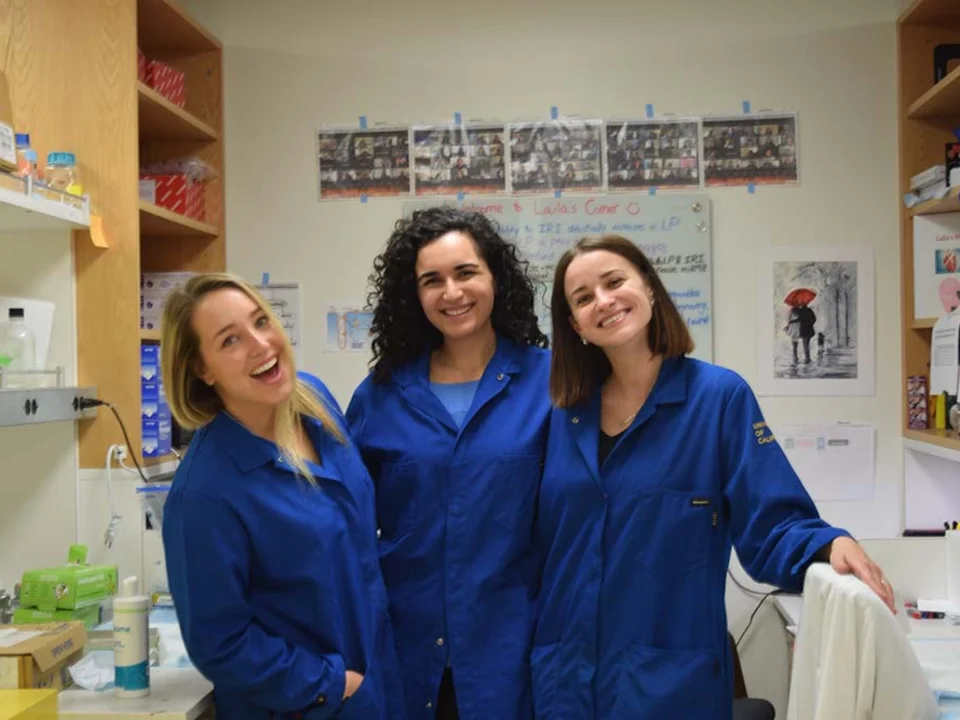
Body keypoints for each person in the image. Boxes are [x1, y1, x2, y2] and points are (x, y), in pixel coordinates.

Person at [532, 235, 895, 719]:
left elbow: (770, 521)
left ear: (649, 287)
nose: (603, 301)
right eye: (582, 298)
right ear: (575, 325)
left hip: (669, 686)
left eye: (614, 282)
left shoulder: (718, 399)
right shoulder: (560, 414)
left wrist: (827, 544)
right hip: (566, 681)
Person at [159, 273, 404, 720]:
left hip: (378, 685)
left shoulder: (314, 402)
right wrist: (331, 684)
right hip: (308, 702)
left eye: (261, 321)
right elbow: (220, 644)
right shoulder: (204, 494)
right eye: (230, 340)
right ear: (202, 369)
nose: (261, 345)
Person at [346, 206, 551, 720]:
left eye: (465, 272)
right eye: (431, 280)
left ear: (495, 278)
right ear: (413, 295)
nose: (451, 292)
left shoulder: (551, 385)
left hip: (514, 655)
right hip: (406, 651)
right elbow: (345, 525)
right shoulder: (380, 395)